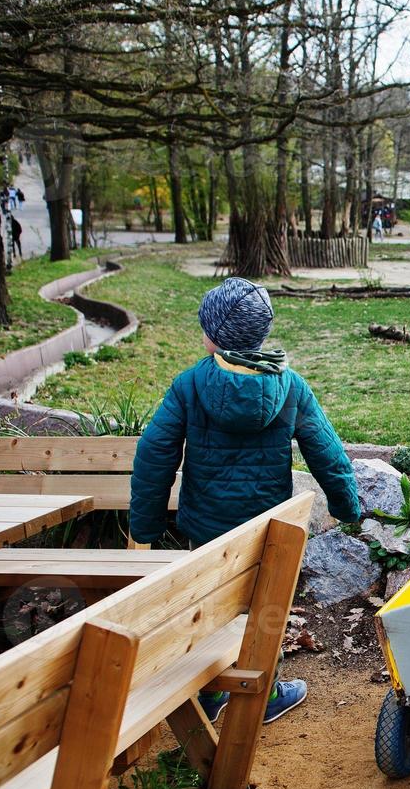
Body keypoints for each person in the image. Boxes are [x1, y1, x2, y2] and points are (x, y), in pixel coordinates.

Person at [130, 277, 363, 724]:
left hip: (206, 527)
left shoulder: (191, 385)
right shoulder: (290, 386)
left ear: (213, 334)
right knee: (268, 607)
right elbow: (326, 451)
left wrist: (146, 525)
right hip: (268, 529)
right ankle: (266, 690)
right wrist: (346, 506)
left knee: (212, 605)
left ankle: (212, 693)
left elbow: (154, 454)